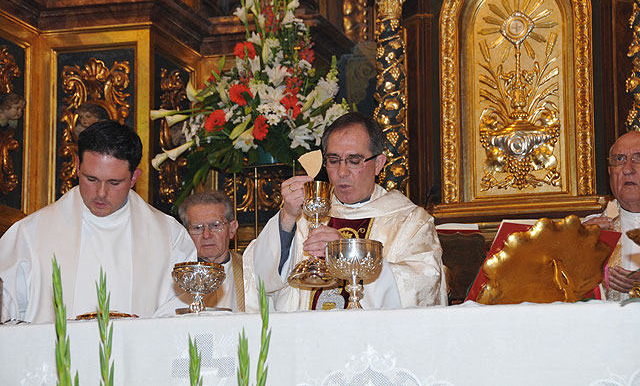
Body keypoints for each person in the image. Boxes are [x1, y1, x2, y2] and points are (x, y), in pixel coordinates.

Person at [243, 112, 447, 311]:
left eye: (354, 161)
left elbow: (423, 286)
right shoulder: (307, 215)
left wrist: (348, 254)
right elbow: (260, 278)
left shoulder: (409, 221)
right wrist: (286, 217)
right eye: (333, 160)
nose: (341, 172)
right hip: (307, 337)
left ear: (378, 164)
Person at [0, 120, 196, 323]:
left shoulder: (169, 235)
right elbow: (6, 309)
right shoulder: (30, 233)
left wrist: (144, 329)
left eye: (114, 182)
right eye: (91, 179)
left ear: (134, 178)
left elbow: (183, 308)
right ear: (77, 166)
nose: (101, 193)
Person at [584, 130, 640, 300]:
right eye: (619, 160)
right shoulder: (589, 229)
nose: (627, 169)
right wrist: (575, 247)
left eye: (639, 157)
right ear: (610, 172)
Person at [176, 190, 245, 312]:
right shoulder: (176, 277)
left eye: (215, 225)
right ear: (186, 233)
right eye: (197, 227)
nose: (206, 235)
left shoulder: (250, 272)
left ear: (232, 228)